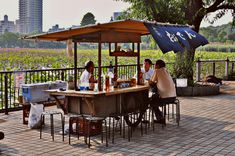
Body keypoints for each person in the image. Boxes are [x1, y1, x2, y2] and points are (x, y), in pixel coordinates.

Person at [149, 59, 176, 124]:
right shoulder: (166, 71)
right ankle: (161, 116)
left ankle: (160, 118)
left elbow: (151, 82)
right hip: (173, 97)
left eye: (155, 64)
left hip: (165, 98)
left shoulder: (157, 71)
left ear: (158, 65)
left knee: (151, 102)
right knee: (155, 98)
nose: (154, 66)